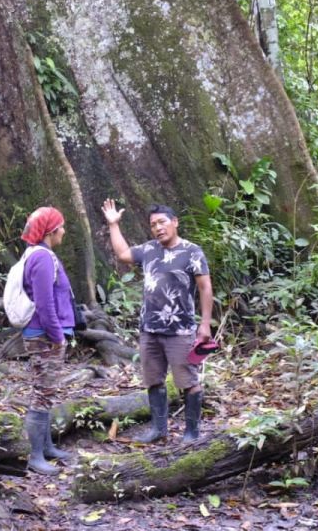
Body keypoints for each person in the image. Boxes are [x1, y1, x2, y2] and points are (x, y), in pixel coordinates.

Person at [101, 200, 213, 443]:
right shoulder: (150, 249)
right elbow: (122, 254)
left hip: (180, 330)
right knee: (154, 380)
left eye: (162, 222)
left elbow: (205, 287)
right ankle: (158, 429)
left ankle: (192, 433)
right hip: (149, 329)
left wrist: (205, 324)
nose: (158, 228)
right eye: (153, 225)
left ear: (174, 222)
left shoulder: (192, 251)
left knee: (187, 381)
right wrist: (113, 225)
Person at [19, 206, 76, 474]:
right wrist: (57, 337)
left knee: (48, 390)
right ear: (52, 231)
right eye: (62, 226)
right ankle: (35, 456)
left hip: (43, 333)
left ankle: (48, 446)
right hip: (44, 335)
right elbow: (44, 303)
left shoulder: (39, 254)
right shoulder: (42, 258)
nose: (65, 231)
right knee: (42, 393)